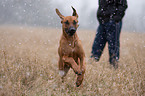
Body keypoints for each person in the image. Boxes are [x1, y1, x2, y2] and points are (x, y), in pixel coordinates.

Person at [91, 0, 128, 69]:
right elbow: (101, 5)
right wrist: (100, 17)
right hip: (103, 21)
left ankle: (114, 66)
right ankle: (92, 65)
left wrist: (116, 18)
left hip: (113, 22)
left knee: (113, 45)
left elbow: (123, 5)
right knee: (97, 43)